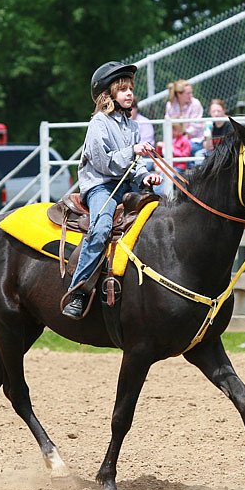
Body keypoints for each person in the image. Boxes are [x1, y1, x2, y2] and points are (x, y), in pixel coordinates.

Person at [62, 61, 162, 320]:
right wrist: (133, 151)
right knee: (101, 228)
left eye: (130, 89)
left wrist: (145, 176)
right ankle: (79, 291)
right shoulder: (99, 123)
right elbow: (102, 162)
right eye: (123, 89)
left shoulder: (132, 126)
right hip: (100, 187)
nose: (129, 93)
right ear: (108, 95)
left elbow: (133, 166)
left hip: (126, 186)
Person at [164, 79, 204, 156]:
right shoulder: (170, 105)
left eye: (191, 93)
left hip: (194, 140)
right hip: (175, 140)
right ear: (179, 94)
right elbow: (168, 125)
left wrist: (182, 136)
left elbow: (196, 127)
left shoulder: (195, 104)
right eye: (188, 93)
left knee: (183, 147)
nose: (191, 95)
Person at [196, 98, 233, 165]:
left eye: (218, 111)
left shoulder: (229, 125)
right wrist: (209, 134)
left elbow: (230, 145)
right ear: (210, 112)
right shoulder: (210, 125)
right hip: (214, 151)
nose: (216, 114)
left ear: (224, 111)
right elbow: (208, 147)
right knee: (199, 154)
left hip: (225, 152)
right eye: (213, 111)